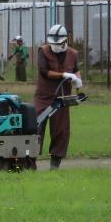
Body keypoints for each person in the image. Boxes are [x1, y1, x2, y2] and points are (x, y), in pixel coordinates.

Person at [34, 24, 81, 169]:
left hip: (62, 99)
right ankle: (31, 161)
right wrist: (63, 75)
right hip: (44, 97)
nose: (54, 46)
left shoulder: (73, 54)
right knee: (36, 125)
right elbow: (43, 71)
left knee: (61, 130)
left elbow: (76, 71)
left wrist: (78, 82)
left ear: (64, 41)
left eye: (58, 43)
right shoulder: (43, 51)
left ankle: (55, 164)